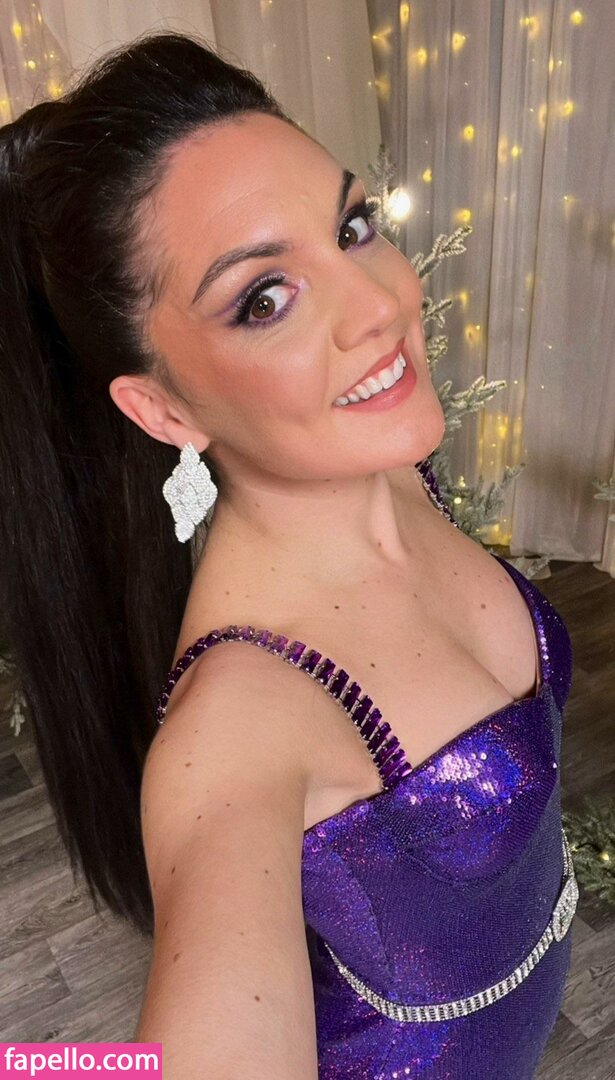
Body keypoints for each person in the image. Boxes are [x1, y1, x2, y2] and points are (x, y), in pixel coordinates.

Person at [0, 30, 576, 1079]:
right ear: (163, 410)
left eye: (351, 227)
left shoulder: (393, 463)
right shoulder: (237, 730)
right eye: (264, 298)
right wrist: (39, 1066)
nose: (382, 305)